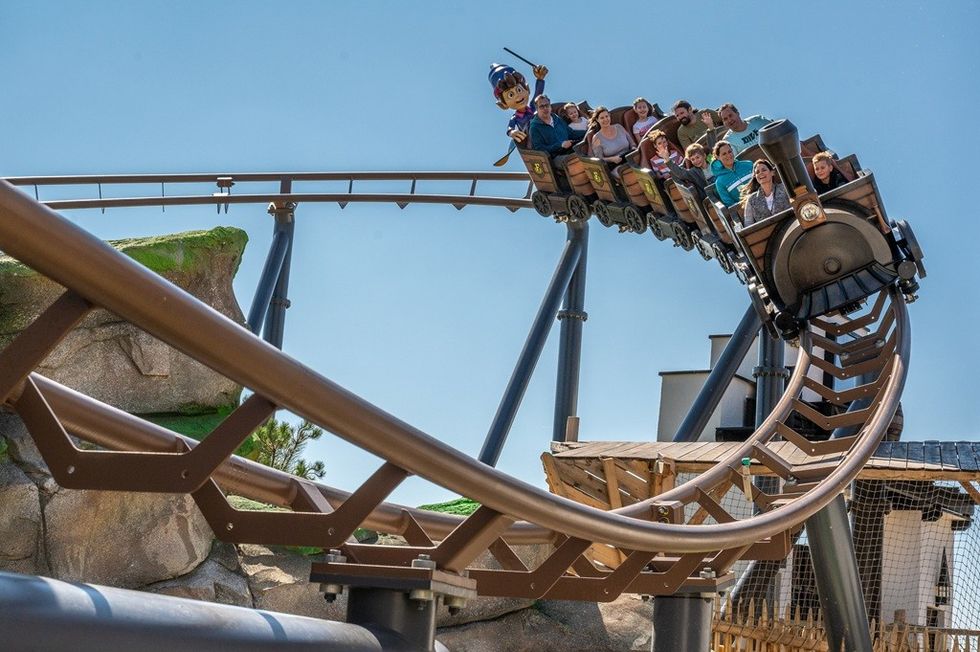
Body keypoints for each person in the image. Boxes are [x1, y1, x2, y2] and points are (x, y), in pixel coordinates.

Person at [488, 62, 548, 145]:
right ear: (504, 104)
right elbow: (510, 128)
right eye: (511, 95)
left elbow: (538, 93)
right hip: (534, 141)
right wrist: (511, 132)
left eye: (519, 90)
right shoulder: (515, 118)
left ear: (527, 89)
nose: (518, 96)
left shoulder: (533, 107)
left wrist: (540, 79)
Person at [528, 95, 585, 165]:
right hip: (555, 157)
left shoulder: (556, 118)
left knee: (587, 148)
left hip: (570, 149)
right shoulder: (535, 127)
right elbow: (540, 149)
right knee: (575, 161)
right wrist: (560, 145)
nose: (545, 108)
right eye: (542, 106)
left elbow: (571, 133)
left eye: (547, 105)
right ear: (537, 109)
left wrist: (587, 132)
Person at [740, 159, 791, 226]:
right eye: (757, 172)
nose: (761, 173)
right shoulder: (751, 200)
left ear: (772, 172)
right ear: (755, 177)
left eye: (764, 170)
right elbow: (748, 224)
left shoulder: (784, 188)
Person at [711, 140, 754, 207]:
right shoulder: (720, 182)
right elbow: (730, 204)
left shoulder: (748, 164)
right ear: (718, 157)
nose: (728, 155)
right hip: (745, 209)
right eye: (724, 154)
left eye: (729, 151)